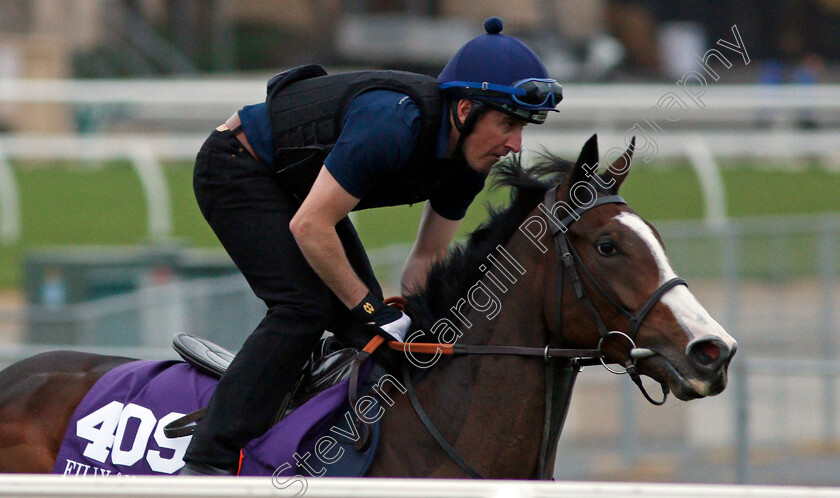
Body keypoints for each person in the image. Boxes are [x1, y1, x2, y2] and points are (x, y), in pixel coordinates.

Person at [181, 16, 563, 475]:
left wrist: (429, 330)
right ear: (465, 110)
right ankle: (208, 462)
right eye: (507, 123)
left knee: (373, 331)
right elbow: (310, 226)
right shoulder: (393, 123)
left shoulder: (470, 163)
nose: (515, 144)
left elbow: (427, 259)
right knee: (303, 308)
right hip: (239, 168)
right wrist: (371, 310)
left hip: (300, 192)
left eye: (524, 127)